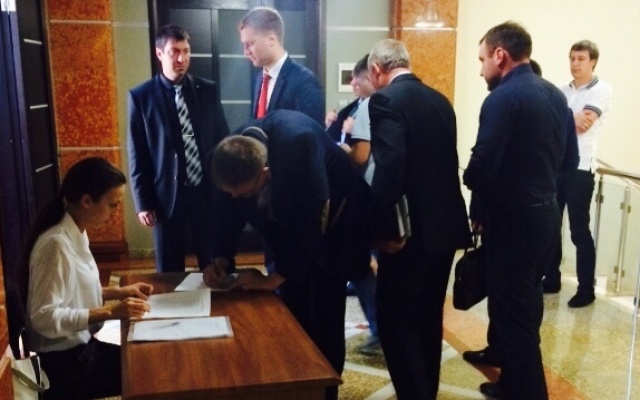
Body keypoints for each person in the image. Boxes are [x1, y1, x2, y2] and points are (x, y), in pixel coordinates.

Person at [203, 110, 371, 400]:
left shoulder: (299, 143)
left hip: (335, 229)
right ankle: (295, 386)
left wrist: (275, 277)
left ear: (264, 173)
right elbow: (225, 214)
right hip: (286, 227)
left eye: (243, 193)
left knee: (324, 321)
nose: (235, 198)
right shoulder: (226, 157)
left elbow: (315, 218)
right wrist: (220, 260)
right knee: (290, 317)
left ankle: (324, 392)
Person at [463, 22, 567, 400]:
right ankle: (508, 373)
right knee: (523, 301)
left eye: (482, 60)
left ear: (500, 55)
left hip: (514, 221)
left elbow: (484, 162)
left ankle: (527, 392)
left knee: (514, 312)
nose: (481, 70)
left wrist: (470, 177)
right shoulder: (554, 94)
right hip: (545, 213)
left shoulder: (502, 99)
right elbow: (567, 157)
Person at [366, 39, 471, 399]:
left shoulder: (385, 100)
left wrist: (380, 230)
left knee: (397, 323)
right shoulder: (440, 101)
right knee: (428, 319)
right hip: (445, 230)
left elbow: (390, 168)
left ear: (377, 69)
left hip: (408, 234)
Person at [25, 157, 152, 399]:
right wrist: (111, 311)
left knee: (144, 355)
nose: (116, 212)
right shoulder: (56, 245)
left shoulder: (75, 231)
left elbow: (71, 291)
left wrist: (118, 292)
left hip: (80, 349)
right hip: (62, 365)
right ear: (86, 201)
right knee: (146, 369)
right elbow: (43, 317)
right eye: (112, 205)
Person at [128, 24, 230, 272]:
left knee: (214, 263)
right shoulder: (141, 97)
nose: (182, 59)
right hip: (165, 197)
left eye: (186, 51)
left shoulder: (207, 90)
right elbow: (137, 154)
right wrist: (142, 202)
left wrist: (227, 184)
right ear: (159, 53)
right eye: (174, 51)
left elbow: (223, 139)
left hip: (205, 192)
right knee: (169, 270)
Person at [543, 40, 613, 308]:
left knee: (579, 231)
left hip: (581, 168)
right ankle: (552, 278)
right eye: (572, 58)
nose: (575, 63)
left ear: (593, 61)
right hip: (557, 166)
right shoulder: (562, 90)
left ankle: (586, 289)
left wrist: (561, 118)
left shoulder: (602, 90)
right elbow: (555, 124)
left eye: (581, 59)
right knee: (552, 227)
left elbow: (584, 125)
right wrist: (568, 118)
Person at [335, 54, 379, 355]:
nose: (353, 83)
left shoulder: (367, 107)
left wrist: (341, 150)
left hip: (367, 195)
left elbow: (360, 156)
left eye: (358, 78)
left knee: (365, 267)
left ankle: (379, 328)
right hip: (383, 195)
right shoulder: (383, 105)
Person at [239, 6, 324, 125]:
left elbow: (311, 132)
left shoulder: (304, 81)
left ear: (271, 40)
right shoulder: (259, 78)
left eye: (250, 44)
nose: (246, 52)